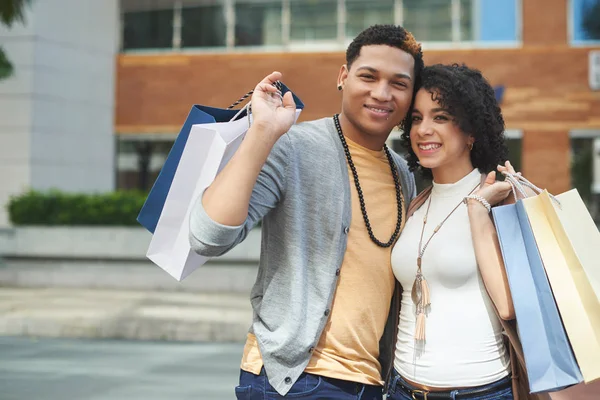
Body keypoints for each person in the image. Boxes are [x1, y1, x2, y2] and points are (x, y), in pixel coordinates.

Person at [189, 25, 423, 399]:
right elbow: (207, 236)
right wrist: (263, 133)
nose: (382, 93)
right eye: (368, 76)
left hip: (371, 383)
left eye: (399, 83)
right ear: (343, 77)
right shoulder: (293, 146)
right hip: (295, 379)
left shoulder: (403, 174)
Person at [386, 63, 542, 400]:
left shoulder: (502, 201)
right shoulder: (415, 205)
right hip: (402, 389)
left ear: (472, 132)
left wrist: (477, 210)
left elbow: (508, 307)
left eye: (440, 117)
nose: (423, 129)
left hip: (481, 391)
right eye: (416, 118)